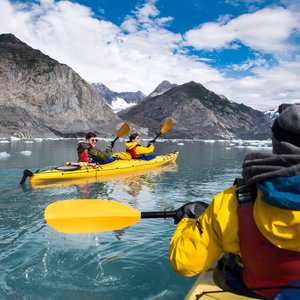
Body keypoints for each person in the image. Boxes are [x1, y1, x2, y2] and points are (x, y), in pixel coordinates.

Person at [169, 103, 300, 299]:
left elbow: (184, 263)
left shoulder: (232, 201)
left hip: (252, 288)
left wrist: (189, 220)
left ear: (274, 143)